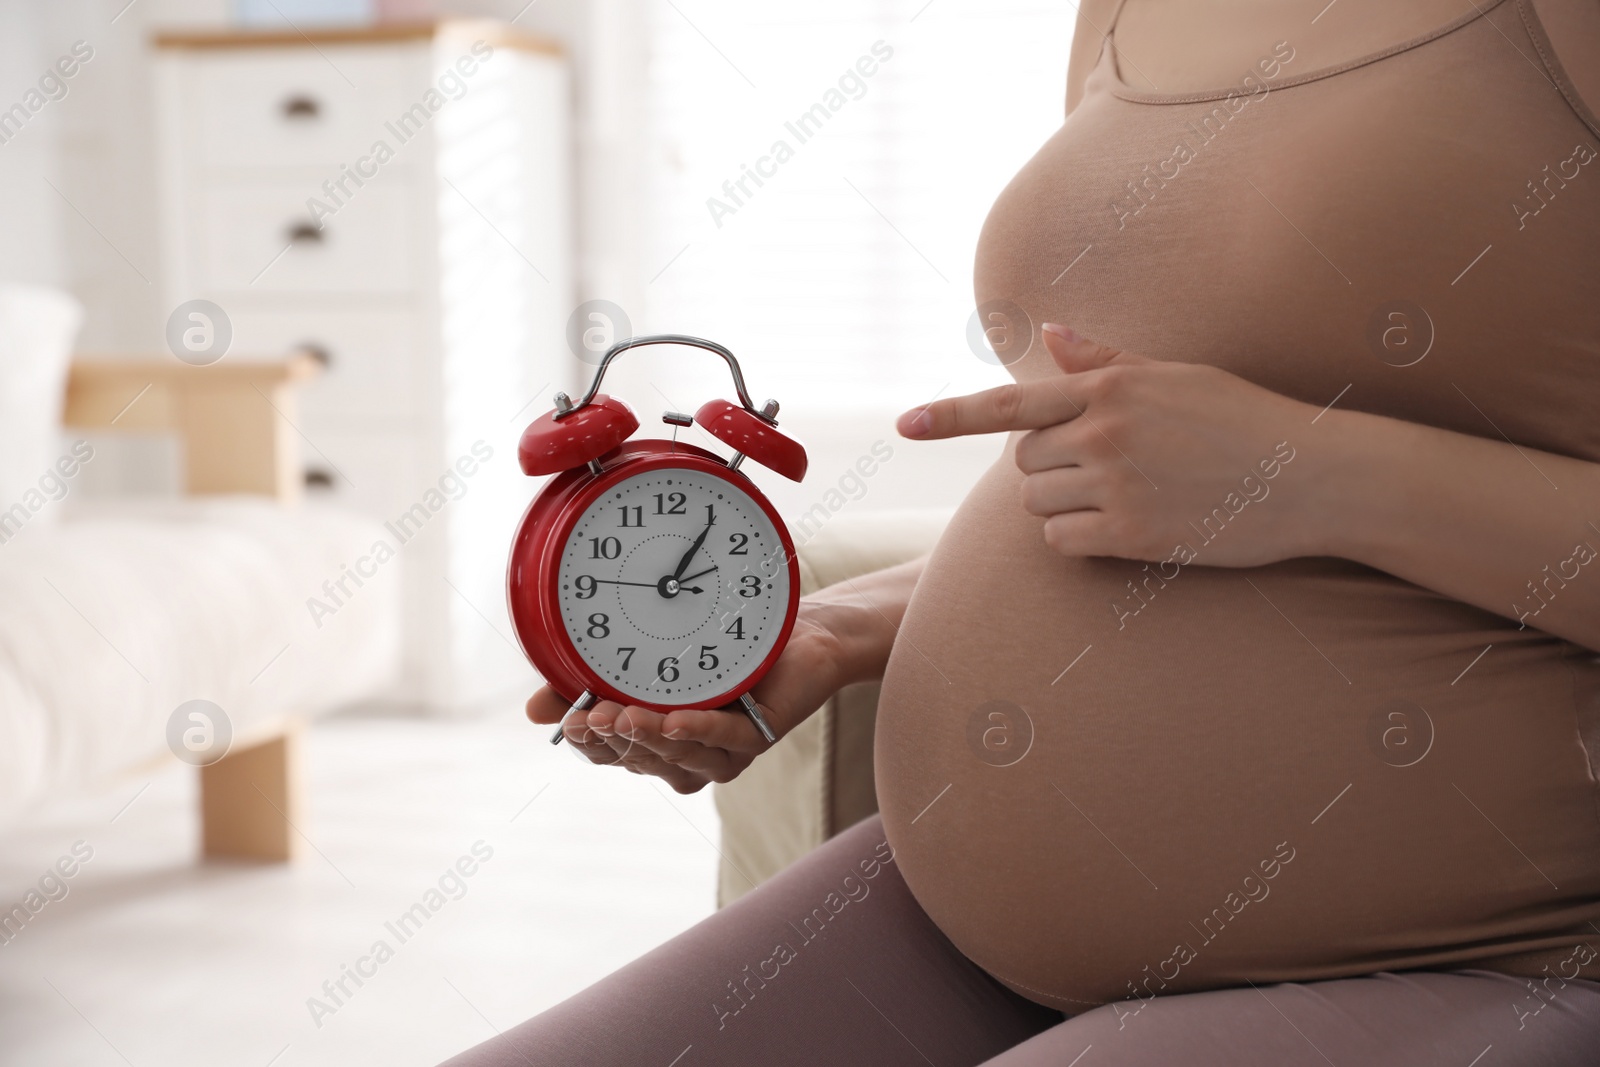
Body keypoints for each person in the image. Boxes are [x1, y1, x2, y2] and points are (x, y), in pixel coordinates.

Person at [446, 0, 1600, 1061]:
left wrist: (1313, 475)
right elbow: (1117, 459)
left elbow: (1234, 461)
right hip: (953, 920)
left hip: (1483, 951)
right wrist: (834, 631)